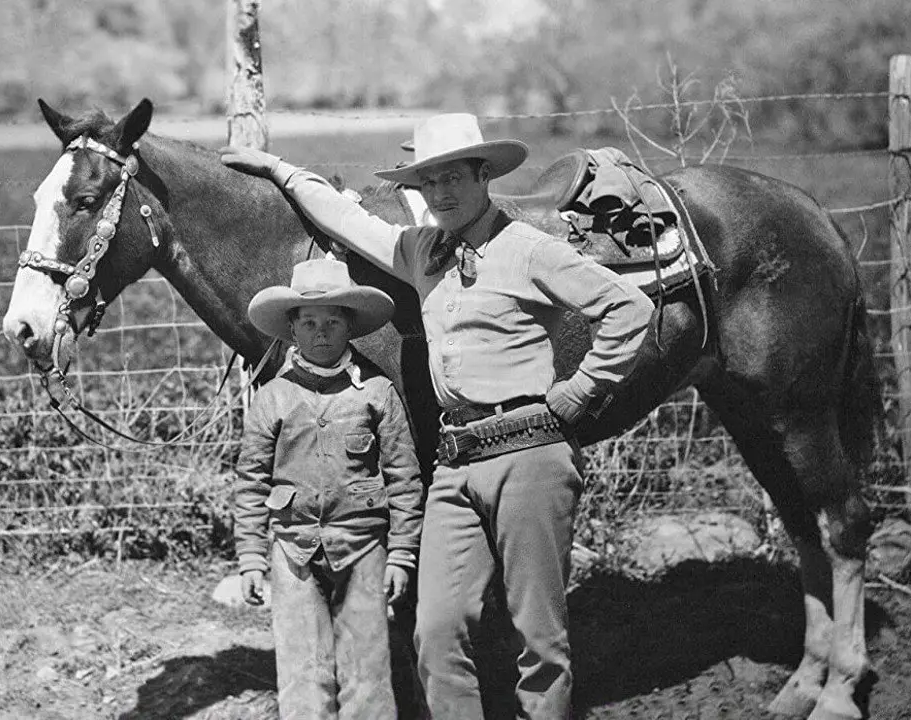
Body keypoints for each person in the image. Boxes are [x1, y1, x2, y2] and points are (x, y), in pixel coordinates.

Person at [222, 113, 655, 719]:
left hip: (528, 453)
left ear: (484, 176)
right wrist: (281, 170)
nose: (441, 193)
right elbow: (348, 220)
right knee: (435, 629)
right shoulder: (423, 252)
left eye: (453, 177)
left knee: (539, 636)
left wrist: (581, 391)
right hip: (454, 463)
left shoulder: (527, 248)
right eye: (428, 182)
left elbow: (629, 308)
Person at [235, 257, 424, 719]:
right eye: (310, 323)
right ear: (292, 330)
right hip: (292, 549)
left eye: (333, 323)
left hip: (363, 547)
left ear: (350, 327)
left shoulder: (376, 393)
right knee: (302, 671)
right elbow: (251, 481)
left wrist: (401, 553)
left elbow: (404, 478)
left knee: (367, 671)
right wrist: (251, 557)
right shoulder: (273, 397)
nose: (321, 333)